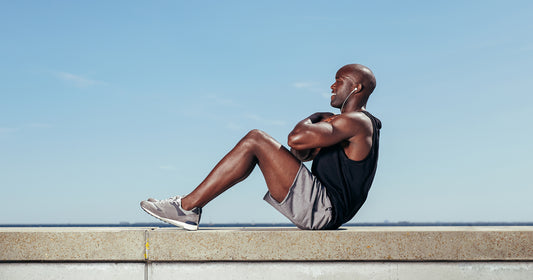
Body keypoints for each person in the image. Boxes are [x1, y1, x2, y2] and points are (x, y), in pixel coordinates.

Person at [140, 63, 381, 231]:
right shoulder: (348, 127)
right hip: (325, 209)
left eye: (339, 81)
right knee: (255, 144)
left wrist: (312, 117)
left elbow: (295, 139)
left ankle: (186, 207)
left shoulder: (357, 121)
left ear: (356, 88)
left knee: (255, 139)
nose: (332, 86)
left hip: (325, 210)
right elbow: (300, 153)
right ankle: (188, 207)